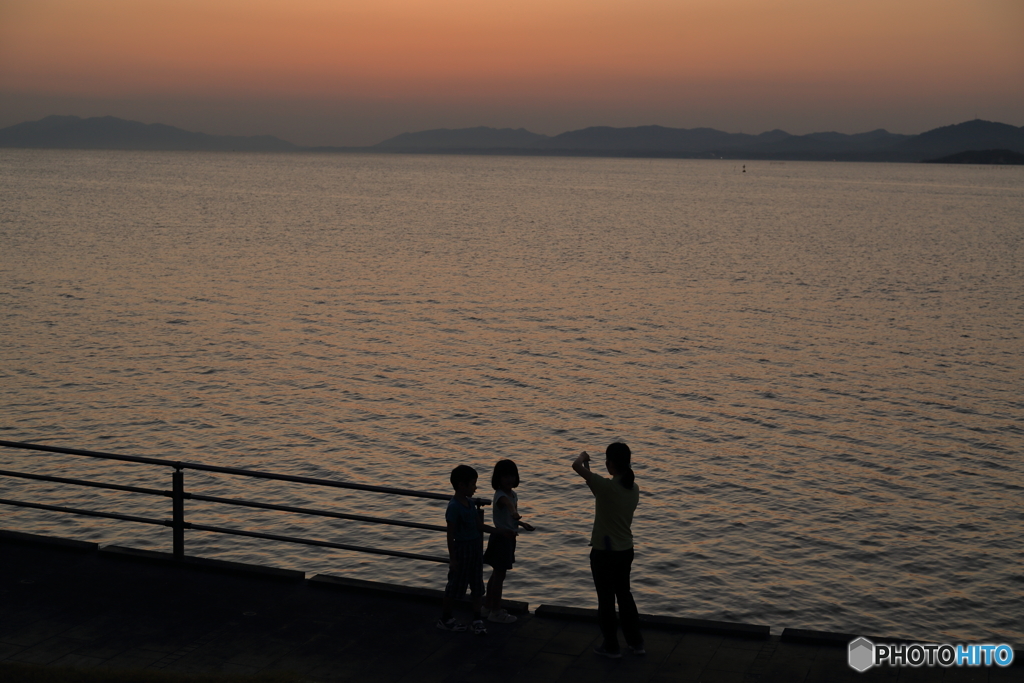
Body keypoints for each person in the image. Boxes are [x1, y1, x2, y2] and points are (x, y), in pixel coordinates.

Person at [572, 442, 644, 658]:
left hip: (604, 552)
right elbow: (598, 488)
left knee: (606, 599)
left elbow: (576, 466)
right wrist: (589, 468)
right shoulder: (633, 488)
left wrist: (583, 456)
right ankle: (636, 643)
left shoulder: (607, 487)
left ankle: (611, 646)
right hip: (625, 550)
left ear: (610, 463)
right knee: (624, 596)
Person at [437, 464, 510, 635]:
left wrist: (500, 532)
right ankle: (446, 618)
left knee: (477, 585)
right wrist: (453, 558)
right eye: (472, 484)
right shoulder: (454, 507)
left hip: (475, 548)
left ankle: (477, 618)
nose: (475, 488)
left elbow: (479, 526)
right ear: (461, 485)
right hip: (462, 549)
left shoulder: (469, 503)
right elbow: (450, 535)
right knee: (454, 586)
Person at [482, 459, 534, 624]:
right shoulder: (501, 496)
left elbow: (510, 516)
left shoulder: (513, 494)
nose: (509, 479)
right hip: (501, 539)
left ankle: (489, 606)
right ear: (498, 478)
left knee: (496, 574)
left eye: (512, 475)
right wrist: (514, 513)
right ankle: (495, 611)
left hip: (507, 537)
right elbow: (509, 507)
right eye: (505, 476)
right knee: (499, 575)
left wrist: (521, 523)